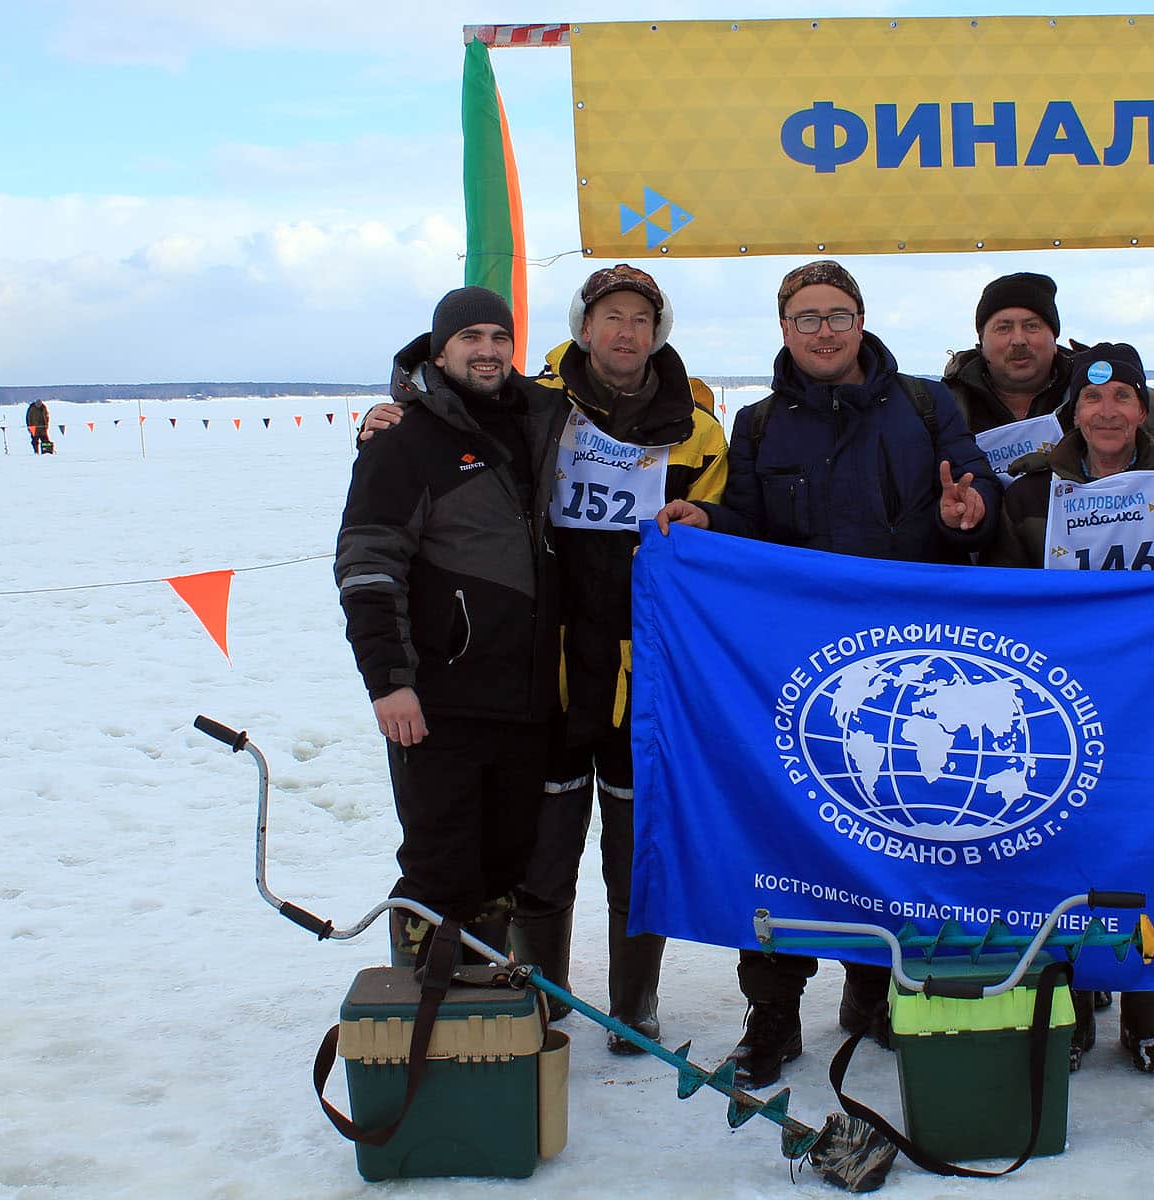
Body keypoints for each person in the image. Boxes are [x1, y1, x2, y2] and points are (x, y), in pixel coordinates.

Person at [359, 265, 729, 1054]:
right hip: (547, 670)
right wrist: (392, 410)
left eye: (641, 318)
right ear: (583, 329)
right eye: (609, 318)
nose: (625, 332)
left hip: (648, 670)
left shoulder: (696, 424)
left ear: (657, 332)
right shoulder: (541, 405)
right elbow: (455, 408)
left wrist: (711, 517)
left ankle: (636, 1005)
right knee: (539, 854)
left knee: (637, 851)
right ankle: (542, 995)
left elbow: (729, 529)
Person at [655, 259, 1001, 1089]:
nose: (822, 331)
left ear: (861, 320)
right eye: (805, 318)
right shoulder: (762, 423)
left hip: (906, 662)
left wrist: (970, 511)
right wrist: (709, 519)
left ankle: (875, 992)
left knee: (890, 823)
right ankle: (771, 1018)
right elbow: (750, 524)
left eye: (836, 315)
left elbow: (972, 488)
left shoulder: (925, 404)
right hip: (799, 669)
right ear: (783, 329)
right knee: (779, 834)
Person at [985, 341, 1154, 1075]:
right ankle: (1068, 1008)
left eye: (1122, 396)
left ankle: (1146, 1013)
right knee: (1061, 851)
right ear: (1075, 410)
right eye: (1093, 399)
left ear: (1143, 407)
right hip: (1058, 701)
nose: (1107, 411)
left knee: (1148, 848)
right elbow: (1001, 587)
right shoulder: (1031, 492)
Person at [334, 286, 566, 968]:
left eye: (499, 337)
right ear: (442, 350)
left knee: (503, 865)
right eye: (471, 339)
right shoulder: (403, 441)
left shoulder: (538, 422)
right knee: (440, 868)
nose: (488, 350)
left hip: (524, 699)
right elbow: (368, 569)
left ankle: (483, 1008)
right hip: (439, 701)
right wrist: (388, 682)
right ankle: (423, 1016)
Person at [943, 272, 1154, 482]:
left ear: (1054, 340)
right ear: (981, 342)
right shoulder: (945, 407)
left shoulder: (1111, 397)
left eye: (1032, 326)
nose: (1018, 340)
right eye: (1003, 328)